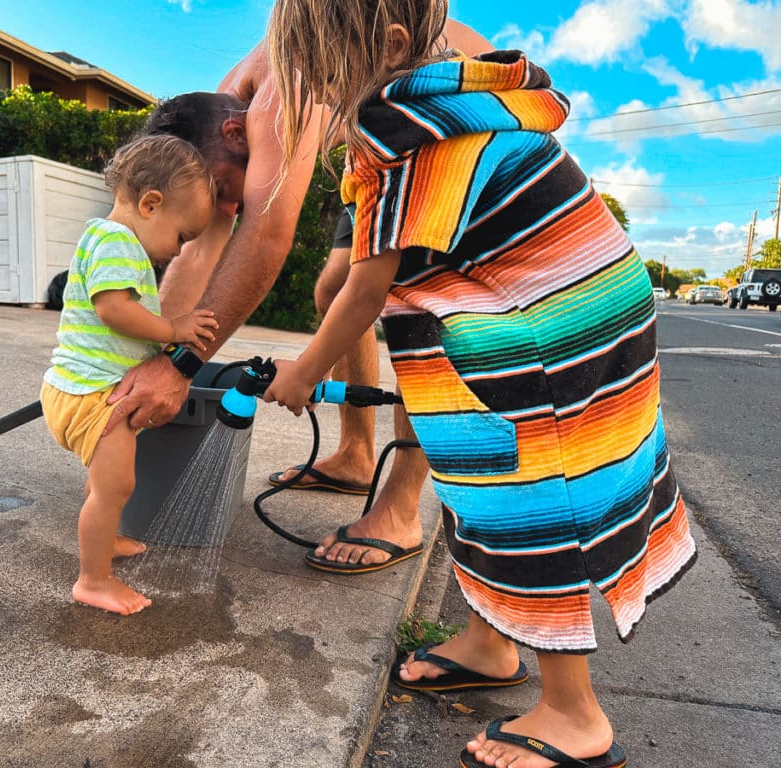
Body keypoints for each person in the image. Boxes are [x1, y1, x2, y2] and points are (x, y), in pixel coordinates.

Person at [260, 1, 697, 767]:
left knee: (529, 502)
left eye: (324, 74)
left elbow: (363, 293)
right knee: (473, 474)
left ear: (389, 48)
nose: (319, 92)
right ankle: (489, 644)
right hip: (565, 301)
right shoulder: (440, 110)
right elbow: (359, 267)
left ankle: (574, 713)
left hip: (555, 328)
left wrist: (303, 371)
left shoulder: (413, 135)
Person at [104, 17, 493, 575]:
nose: (217, 205)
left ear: (236, 137)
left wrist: (182, 367)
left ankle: (401, 507)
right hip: (376, 140)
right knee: (335, 288)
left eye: (216, 191)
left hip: (455, 110)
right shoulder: (214, 117)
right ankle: (358, 456)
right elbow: (199, 251)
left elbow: (266, 235)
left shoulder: (277, 94)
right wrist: (148, 358)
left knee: (414, 299)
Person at [39, 134, 218, 616]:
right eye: (181, 237)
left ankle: (107, 536)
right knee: (116, 487)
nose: (178, 254)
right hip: (92, 395)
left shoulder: (109, 239)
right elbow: (113, 309)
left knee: (106, 484)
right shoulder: (118, 240)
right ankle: (93, 580)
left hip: (81, 389)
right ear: (150, 203)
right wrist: (172, 328)